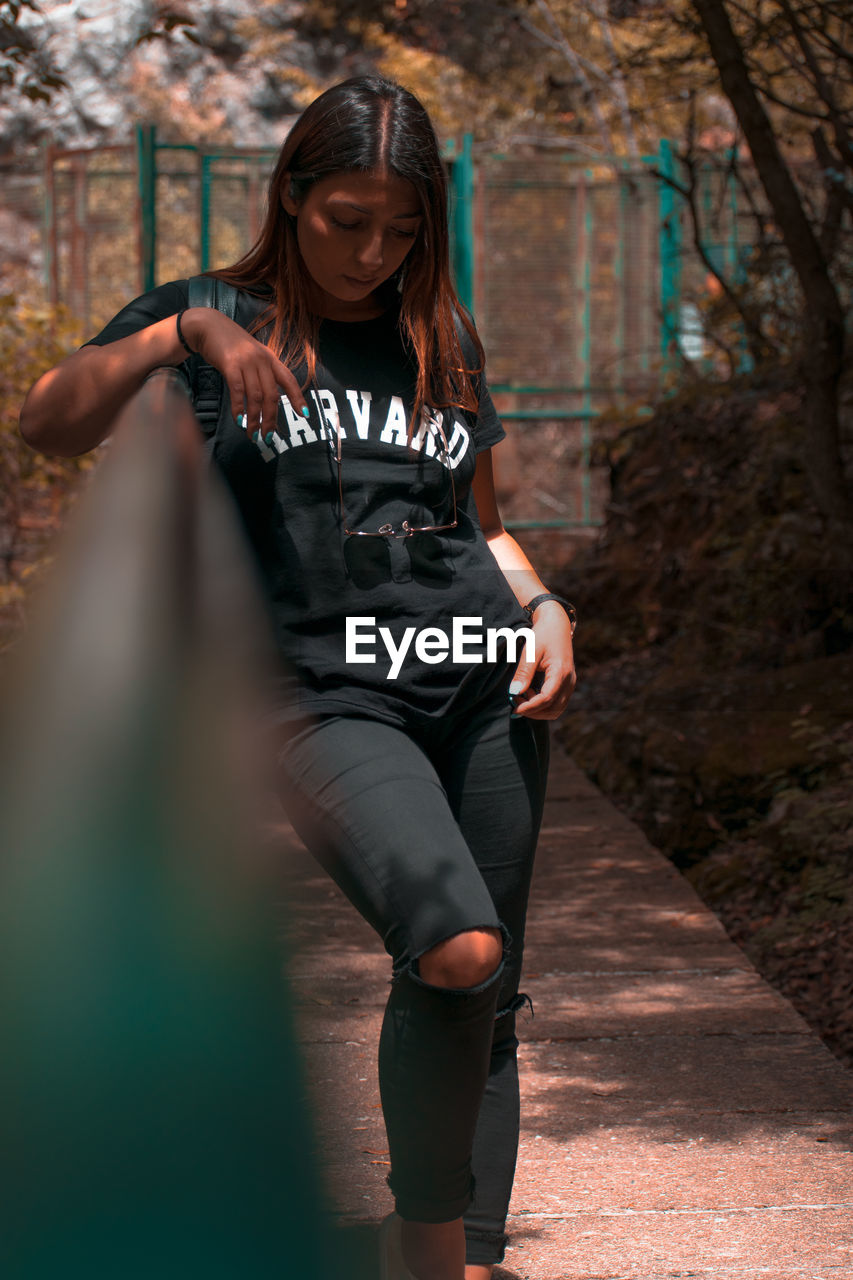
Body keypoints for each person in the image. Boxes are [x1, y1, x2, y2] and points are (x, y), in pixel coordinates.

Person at [19, 76, 576, 1280]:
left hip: (479, 681)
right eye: (346, 220)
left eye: (402, 228)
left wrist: (543, 606)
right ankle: (422, 1245)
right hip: (321, 696)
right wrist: (183, 337)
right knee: (455, 946)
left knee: (492, 994)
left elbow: (481, 525)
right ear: (293, 195)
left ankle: (464, 1248)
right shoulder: (211, 312)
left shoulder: (442, 335)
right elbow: (48, 420)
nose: (374, 253)